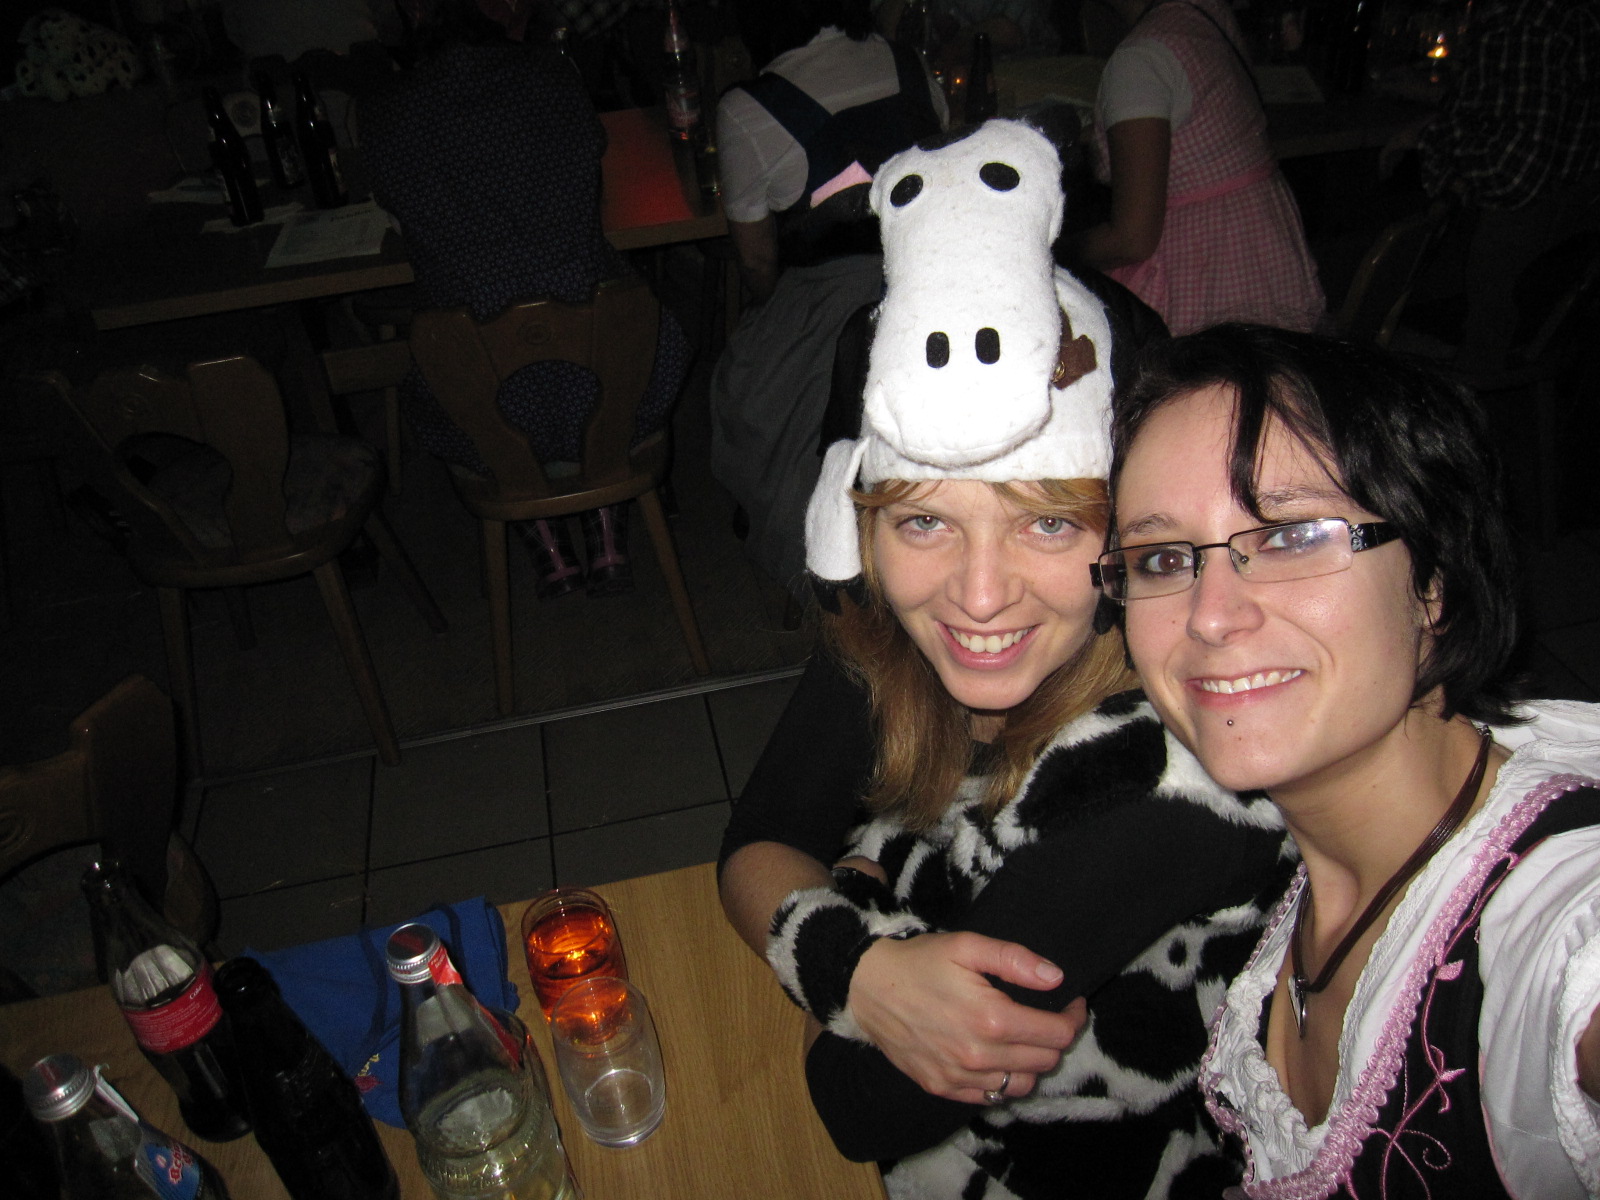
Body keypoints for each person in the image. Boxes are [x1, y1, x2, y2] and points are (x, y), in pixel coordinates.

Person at [720, 119, 1294, 1198]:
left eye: (1047, 522)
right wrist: (868, 971)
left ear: (1132, 532)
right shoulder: (893, 627)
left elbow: (856, 1103)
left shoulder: (1171, 773)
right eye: (924, 521)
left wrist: (848, 900)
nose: (978, 599)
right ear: (857, 529)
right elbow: (755, 842)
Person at [1098, 322, 1600, 1194]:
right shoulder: (1317, 846)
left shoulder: (1560, 921)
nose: (1210, 615)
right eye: (1164, 558)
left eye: (1290, 536)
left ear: (1433, 580)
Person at [360, 0, 690, 599]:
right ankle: (607, 525)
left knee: (455, 369)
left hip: (476, 390)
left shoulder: (386, 110)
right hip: (605, 368)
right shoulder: (550, 75)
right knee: (625, 336)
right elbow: (591, 154)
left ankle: (546, 542)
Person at [710, 0, 946, 595]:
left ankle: (820, 553)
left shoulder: (745, 111)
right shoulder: (910, 65)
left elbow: (757, 262)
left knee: (748, 395)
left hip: (832, 296)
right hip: (932, 284)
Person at [1069, 0, 1325, 335]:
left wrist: (1054, 250)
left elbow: (1132, 239)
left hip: (1204, 264)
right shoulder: (1206, 12)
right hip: (1261, 240)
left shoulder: (1139, 61)